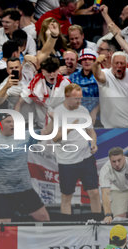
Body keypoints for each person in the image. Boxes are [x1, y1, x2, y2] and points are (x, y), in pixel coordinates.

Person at [41, 83, 99, 216]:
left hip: (86, 158)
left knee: (94, 193)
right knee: (67, 196)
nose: (79, 101)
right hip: (67, 162)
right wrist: (70, 127)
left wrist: (93, 143)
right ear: (67, 97)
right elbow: (55, 138)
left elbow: (91, 132)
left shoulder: (83, 110)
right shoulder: (58, 113)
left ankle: (97, 222)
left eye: (80, 98)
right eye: (76, 99)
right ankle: (67, 225)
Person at [92, 51, 128, 129]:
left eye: (122, 63)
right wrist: (97, 63)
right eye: (116, 63)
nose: (119, 66)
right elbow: (98, 76)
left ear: (127, 64)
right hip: (110, 128)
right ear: (112, 64)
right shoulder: (106, 74)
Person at [69, 48, 99, 117]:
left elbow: (105, 98)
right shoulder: (73, 77)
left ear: (94, 61)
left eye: (90, 59)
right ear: (80, 62)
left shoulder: (101, 75)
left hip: (99, 115)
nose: (87, 61)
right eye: (84, 59)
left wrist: (95, 111)